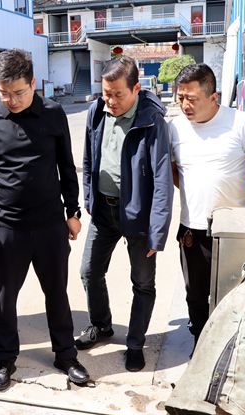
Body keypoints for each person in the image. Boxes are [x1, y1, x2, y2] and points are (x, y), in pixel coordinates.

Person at [0, 49, 90, 391]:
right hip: (7, 227)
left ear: (34, 83)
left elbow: (66, 166)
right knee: (5, 297)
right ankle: (5, 359)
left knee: (57, 292)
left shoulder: (52, 113)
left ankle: (65, 355)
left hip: (50, 224)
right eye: (3, 93)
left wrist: (73, 211)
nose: (11, 100)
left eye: (19, 92)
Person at [76, 56, 173, 372]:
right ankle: (101, 325)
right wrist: (89, 196)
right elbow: (89, 158)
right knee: (89, 271)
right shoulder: (96, 112)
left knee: (142, 283)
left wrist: (157, 231)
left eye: (118, 94)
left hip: (138, 215)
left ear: (136, 89)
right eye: (107, 93)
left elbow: (162, 178)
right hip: (103, 211)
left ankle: (135, 343)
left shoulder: (152, 120)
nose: (111, 101)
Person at [168, 63, 245, 348]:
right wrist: (196, 192)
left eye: (192, 99)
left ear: (213, 97)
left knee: (234, 293)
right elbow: (173, 170)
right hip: (192, 227)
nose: (185, 105)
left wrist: (239, 191)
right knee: (195, 294)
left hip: (235, 230)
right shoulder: (175, 128)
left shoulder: (241, 123)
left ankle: (230, 349)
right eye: (180, 97)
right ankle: (201, 346)